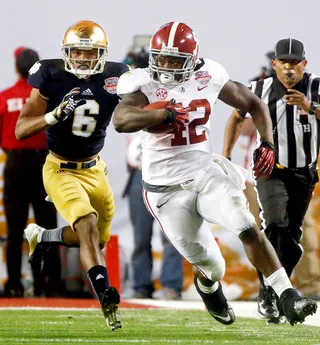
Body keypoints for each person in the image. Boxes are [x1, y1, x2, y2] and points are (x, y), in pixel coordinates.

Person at [113, 22, 317, 326]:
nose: (167, 67)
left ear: (192, 59)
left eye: (175, 60)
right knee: (213, 266)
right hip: (165, 190)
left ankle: (286, 295)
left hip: (203, 170)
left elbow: (253, 103)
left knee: (246, 223)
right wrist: (161, 114)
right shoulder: (142, 82)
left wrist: (268, 142)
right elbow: (121, 119)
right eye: (162, 58)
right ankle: (208, 285)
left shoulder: (208, 75)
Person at [15, 20, 129, 331]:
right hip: (60, 168)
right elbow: (21, 128)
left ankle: (43, 236)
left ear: (102, 54)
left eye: (88, 53)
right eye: (76, 53)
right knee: (88, 226)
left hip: (95, 168)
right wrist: (53, 115)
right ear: (66, 53)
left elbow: (135, 110)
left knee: (96, 239)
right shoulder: (50, 76)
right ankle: (105, 294)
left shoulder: (118, 76)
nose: (81, 59)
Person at [223, 38, 320, 323]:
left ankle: (271, 288)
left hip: (305, 171)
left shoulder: (316, 87)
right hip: (270, 169)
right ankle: (274, 291)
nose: (289, 68)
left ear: (304, 63)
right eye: (284, 62)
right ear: (275, 64)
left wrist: (310, 107)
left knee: (290, 237)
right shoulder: (259, 88)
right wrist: (226, 157)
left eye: (295, 62)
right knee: (275, 223)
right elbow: (235, 118)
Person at [0, 47, 62, 297]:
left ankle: (13, 284)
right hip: (44, 165)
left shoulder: (4, 98)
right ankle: (48, 284)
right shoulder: (47, 97)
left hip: (14, 165)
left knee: (15, 230)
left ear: (16, 68)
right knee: (47, 228)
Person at [122, 51, 184, 300]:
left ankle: (171, 284)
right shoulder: (129, 97)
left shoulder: (169, 91)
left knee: (172, 234)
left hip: (166, 168)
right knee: (140, 237)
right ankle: (141, 285)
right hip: (139, 172)